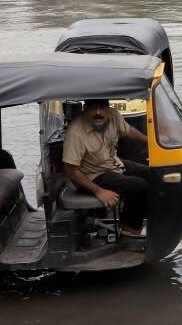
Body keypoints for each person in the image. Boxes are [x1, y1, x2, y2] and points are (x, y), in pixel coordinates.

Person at [61, 99, 150, 238]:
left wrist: (150, 141)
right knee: (140, 185)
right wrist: (99, 191)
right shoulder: (76, 132)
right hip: (93, 175)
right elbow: (70, 171)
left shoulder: (113, 115)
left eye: (102, 107)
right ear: (85, 108)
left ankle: (148, 216)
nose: (98, 112)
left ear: (108, 108)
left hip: (113, 163)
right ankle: (130, 226)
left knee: (152, 173)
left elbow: (127, 131)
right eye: (93, 108)